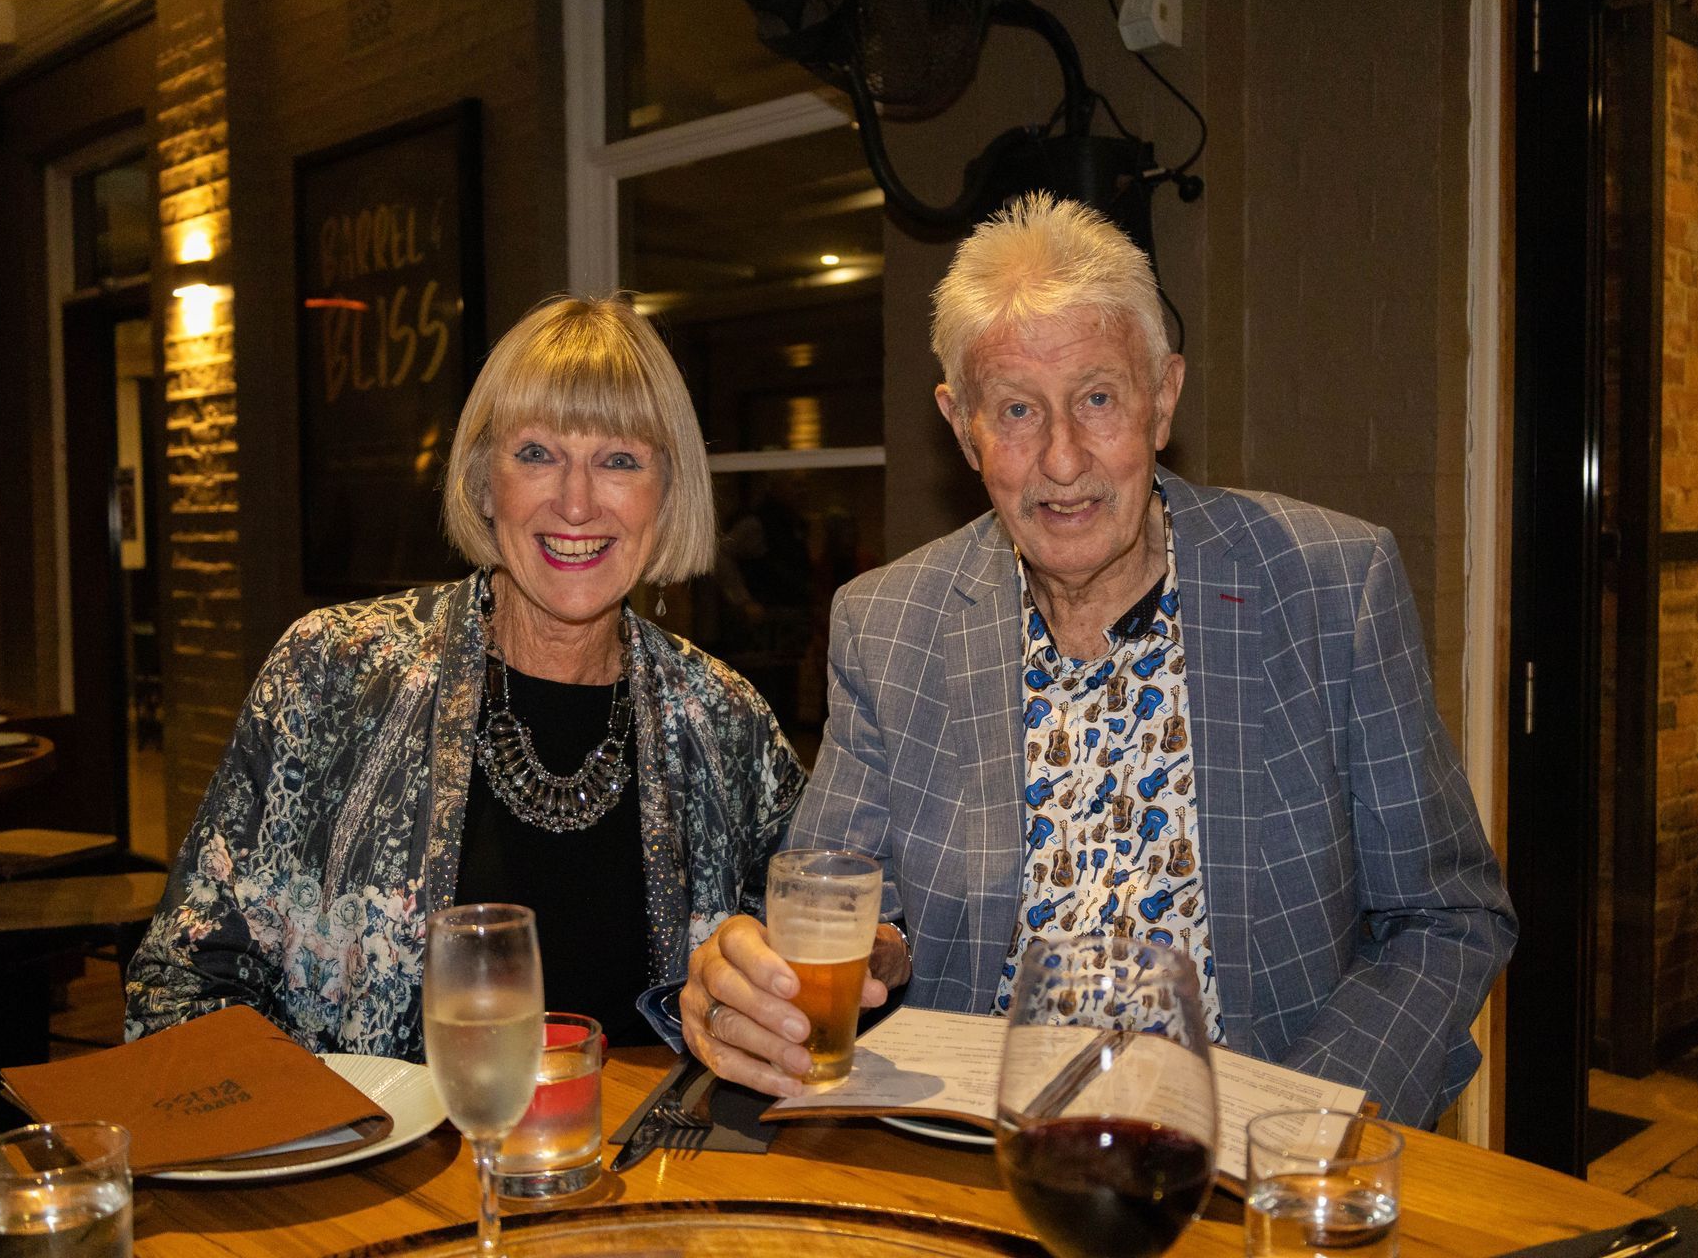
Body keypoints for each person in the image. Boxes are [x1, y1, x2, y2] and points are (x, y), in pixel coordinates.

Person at [682, 193, 1516, 1127]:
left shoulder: (1328, 587)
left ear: (1164, 396)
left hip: (1253, 1166)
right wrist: (772, 982)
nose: (1064, 459)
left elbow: (1446, 919)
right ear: (963, 429)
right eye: (1016, 411)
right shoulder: (889, 623)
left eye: (1098, 398)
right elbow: (832, 899)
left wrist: (1303, 1123)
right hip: (977, 1160)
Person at [126, 296, 806, 1057]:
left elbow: (827, 944)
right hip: (373, 1164)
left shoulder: (724, 719)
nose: (576, 502)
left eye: (619, 460)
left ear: (668, 494)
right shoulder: (332, 674)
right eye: (538, 454)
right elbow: (180, 983)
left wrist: (772, 998)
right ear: (485, 484)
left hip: (639, 1167)